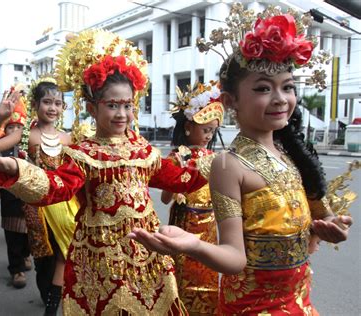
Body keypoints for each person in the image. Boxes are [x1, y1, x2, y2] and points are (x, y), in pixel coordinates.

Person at [0, 29, 211, 315]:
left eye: (127, 105)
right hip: (99, 256)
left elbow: (176, 178)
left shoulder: (141, 149)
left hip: (146, 253)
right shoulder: (85, 153)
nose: (121, 113)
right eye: (112, 105)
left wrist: (214, 165)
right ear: (92, 108)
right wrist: (16, 168)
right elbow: (56, 187)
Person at [129, 4, 352, 315]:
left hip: (301, 299)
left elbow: (320, 217)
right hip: (256, 307)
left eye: (287, 87)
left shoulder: (292, 155)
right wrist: (191, 244)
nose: (280, 98)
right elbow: (235, 259)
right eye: (263, 88)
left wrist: (331, 226)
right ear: (231, 101)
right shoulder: (227, 165)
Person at [0, 78, 79, 315]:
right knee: (43, 258)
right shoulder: (26, 135)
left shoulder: (68, 139)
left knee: (64, 254)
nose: (52, 108)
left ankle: (52, 305)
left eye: (58, 103)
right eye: (47, 102)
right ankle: (48, 293)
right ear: (36, 104)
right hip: (37, 205)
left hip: (66, 204)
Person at [160, 81, 223, 315]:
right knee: (183, 278)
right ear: (188, 127)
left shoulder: (216, 158)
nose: (208, 136)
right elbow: (166, 198)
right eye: (205, 129)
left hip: (209, 229)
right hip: (184, 224)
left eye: (212, 131)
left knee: (207, 278)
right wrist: (177, 185)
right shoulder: (177, 157)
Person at [0, 98, 31, 287]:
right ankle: (17, 270)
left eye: (18, 128)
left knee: (28, 236)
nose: (14, 132)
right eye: (10, 128)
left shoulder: (33, 148)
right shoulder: (0, 152)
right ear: (4, 130)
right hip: (9, 202)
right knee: (12, 238)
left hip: (30, 201)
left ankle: (25, 255)